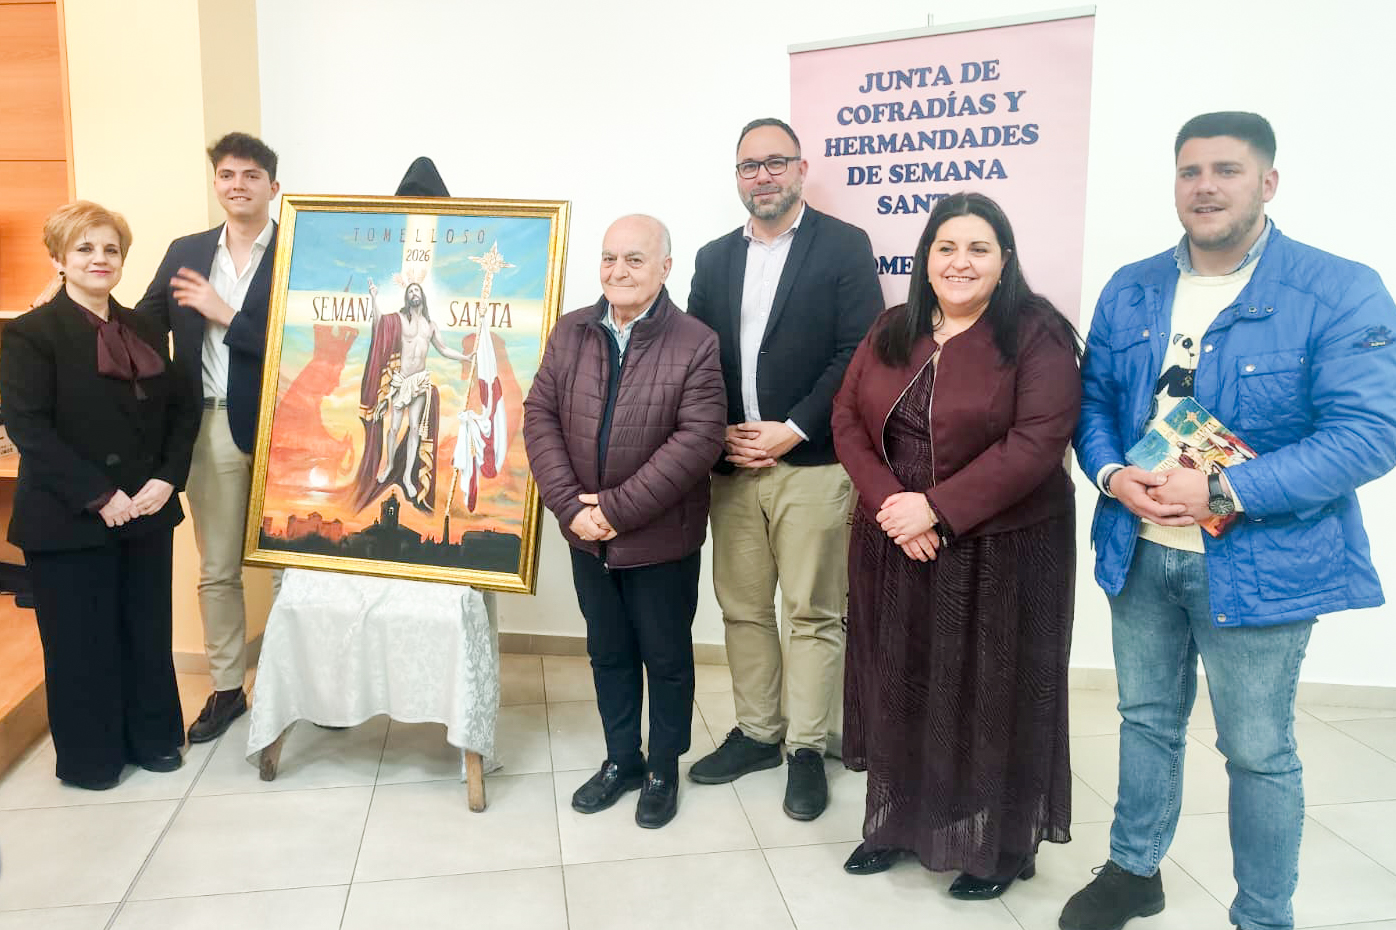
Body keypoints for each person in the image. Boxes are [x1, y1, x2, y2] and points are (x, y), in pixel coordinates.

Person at [1066, 111, 1396, 930]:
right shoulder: (1132, 286)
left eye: (1226, 170)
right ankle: (1135, 870)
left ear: (1268, 182)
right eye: (1189, 171)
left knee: (1256, 749)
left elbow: (1368, 432)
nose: (1205, 186)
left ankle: (1263, 915)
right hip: (1139, 551)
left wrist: (1221, 493)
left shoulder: (1338, 288)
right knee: (1145, 720)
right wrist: (1111, 473)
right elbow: (1097, 403)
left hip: (1263, 560)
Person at [831, 192, 1081, 895]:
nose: (960, 261)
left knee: (989, 691)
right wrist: (895, 509)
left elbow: (1038, 441)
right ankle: (899, 824)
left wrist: (937, 511)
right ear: (926, 259)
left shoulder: (1037, 335)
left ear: (1004, 261)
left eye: (978, 248)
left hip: (1000, 547)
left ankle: (996, 848)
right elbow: (846, 417)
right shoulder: (892, 327)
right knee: (903, 684)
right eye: (946, 247)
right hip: (894, 540)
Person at [686, 117, 883, 821]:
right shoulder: (712, 260)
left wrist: (792, 429)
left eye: (775, 163)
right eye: (748, 166)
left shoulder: (844, 246)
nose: (761, 177)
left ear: (802, 168)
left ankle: (805, 747)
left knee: (811, 611)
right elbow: (694, 359)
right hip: (733, 467)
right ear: (736, 176)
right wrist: (722, 436)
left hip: (814, 464)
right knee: (742, 609)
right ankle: (757, 734)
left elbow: (859, 351)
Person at [523, 214, 725, 828]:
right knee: (607, 653)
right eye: (609, 259)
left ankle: (663, 766)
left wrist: (613, 510)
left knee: (665, 658)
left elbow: (698, 440)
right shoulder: (571, 331)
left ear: (666, 267)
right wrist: (571, 508)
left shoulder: (696, 342)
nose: (619, 271)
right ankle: (622, 760)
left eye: (635, 259)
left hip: (659, 540)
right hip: (585, 539)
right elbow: (539, 417)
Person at [1, 202, 199, 789]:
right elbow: (28, 427)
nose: (99, 259)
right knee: (80, 645)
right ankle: (92, 759)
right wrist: (99, 493)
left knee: (145, 632)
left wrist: (168, 477)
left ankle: (156, 739)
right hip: (69, 516)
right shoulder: (30, 333)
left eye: (110, 249)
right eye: (85, 248)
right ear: (59, 259)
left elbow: (182, 409)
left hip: (145, 510)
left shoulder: (142, 325)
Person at [136, 132, 279, 744]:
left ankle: (294, 684)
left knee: (290, 564)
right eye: (227, 174)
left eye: (251, 175)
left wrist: (226, 314)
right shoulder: (186, 252)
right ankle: (227, 690)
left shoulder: (302, 250)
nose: (237, 184)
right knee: (217, 568)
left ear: (274, 186)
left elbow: (306, 345)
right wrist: (73, 300)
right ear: (216, 183)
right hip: (209, 424)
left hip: (284, 425)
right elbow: (140, 325)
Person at [350, 277, 471, 511]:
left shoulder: (430, 325)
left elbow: (444, 349)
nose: (414, 293)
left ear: (422, 296)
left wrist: (465, 358)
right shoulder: (400, 320)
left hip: (419, 380)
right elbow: (380, 326)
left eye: (417, 290)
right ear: (407, 297)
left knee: (415, 428)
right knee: (394, 427)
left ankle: (407, 476)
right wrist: (374, 298)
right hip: (401, 379)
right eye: (411, 290)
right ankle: (388, 466)